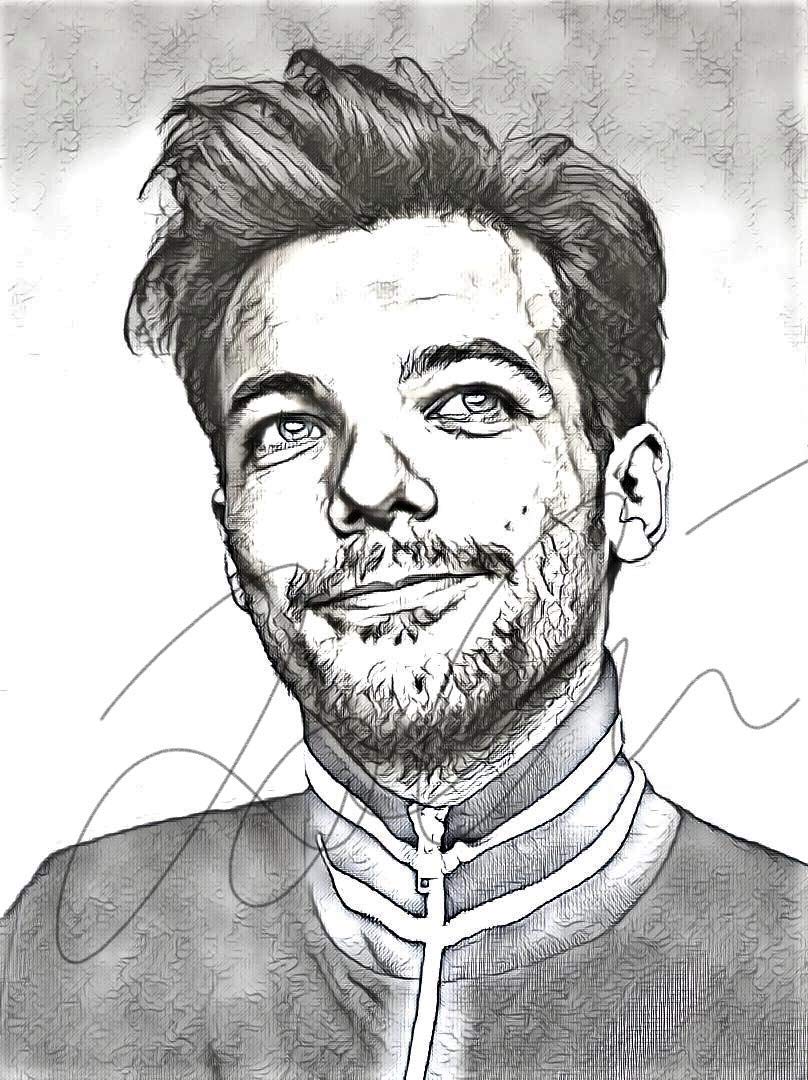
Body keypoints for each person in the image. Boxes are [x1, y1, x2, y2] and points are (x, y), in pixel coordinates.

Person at [1, 48, 805, 1080]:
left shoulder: (791, 972)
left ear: (630, 494)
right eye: (288, 427)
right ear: (230, 537)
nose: (368, 484)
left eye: (470, 401)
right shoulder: (70, 944)